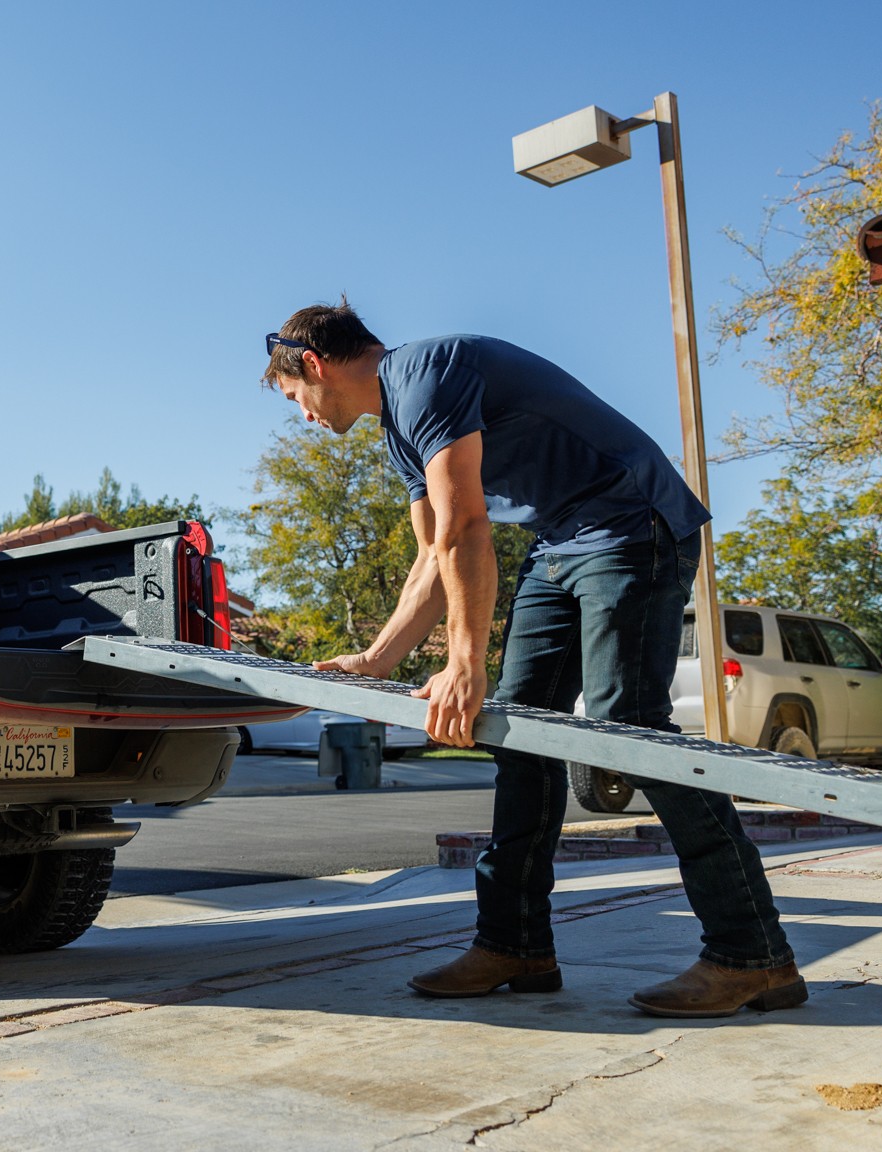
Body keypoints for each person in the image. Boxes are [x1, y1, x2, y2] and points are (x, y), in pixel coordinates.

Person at [262, 300, 802, 1018]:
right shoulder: (399, 432)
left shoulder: (425, 373)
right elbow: (432, 557)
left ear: (314, 364)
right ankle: (515, 943)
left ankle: (753, 954)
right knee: (518, 733)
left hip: (629, 522)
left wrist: (464, 663)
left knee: (629, 732)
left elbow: (466, 528)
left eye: (296, 399)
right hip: (559, 542)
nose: (304, 418)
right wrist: (374, 659)